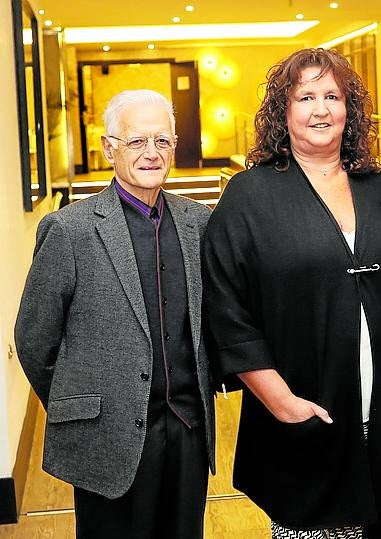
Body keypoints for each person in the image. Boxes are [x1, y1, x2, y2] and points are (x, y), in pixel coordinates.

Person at [202, 48, 381, 539]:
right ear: (285, 111)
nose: (321, 109)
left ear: (350, 110)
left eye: (332, 96)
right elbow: (226, 308)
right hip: (300, 412)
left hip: (379, 416)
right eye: (306, 97)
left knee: (375, 525)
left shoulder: (379, 185)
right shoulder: (249, 196)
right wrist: (281, 403)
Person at [15, 89, 215, 539]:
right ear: (110, 149)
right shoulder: (71, 229)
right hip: (107, 436)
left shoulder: (199, 222)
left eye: (162, 141)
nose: (151, 153)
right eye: (137, 141)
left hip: (186, 430)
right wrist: (83, 406)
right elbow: (34, 340)